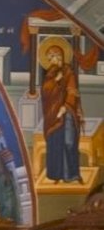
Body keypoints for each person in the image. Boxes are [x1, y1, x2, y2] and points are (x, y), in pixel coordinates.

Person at [41, 44, 83, 183]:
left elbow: (72, 91)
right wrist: (55, 80)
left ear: (62, 56)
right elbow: (45, 92)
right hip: (53, 116)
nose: (55, 59)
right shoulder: (49, 74)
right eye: (52, 57)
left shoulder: (69, 72)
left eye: (57, 56)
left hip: (68, 113)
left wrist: (65, 106)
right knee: (56, 143)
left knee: (69, 142)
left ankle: (72, 174)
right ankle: (56, 174)